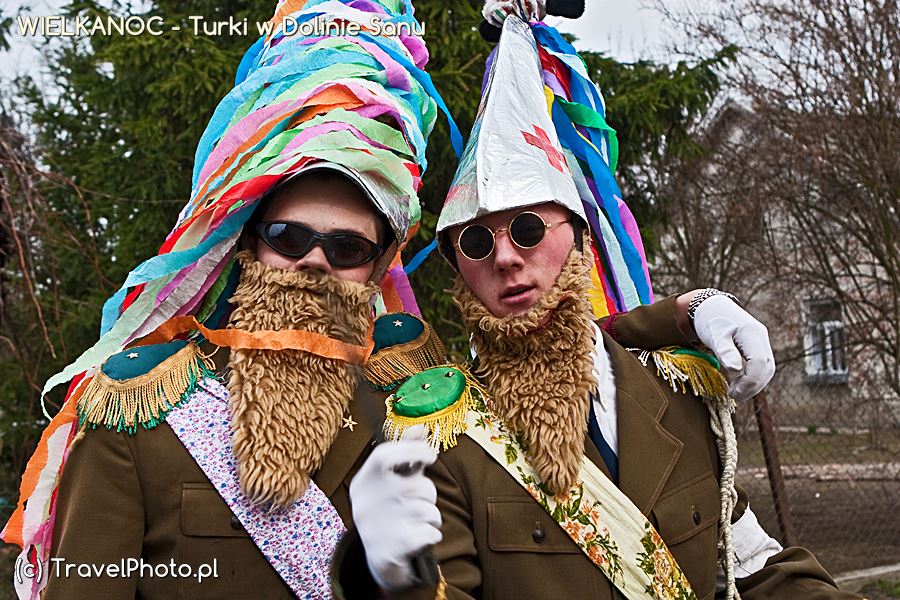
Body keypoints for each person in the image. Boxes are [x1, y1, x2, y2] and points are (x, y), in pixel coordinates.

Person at [1, 1, 751, 599]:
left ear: (380, 263)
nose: (315, 265)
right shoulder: (134, 412)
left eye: (348, 248)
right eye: (290, 238)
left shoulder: (413, 385)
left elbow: (541, 342)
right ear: (246, 243)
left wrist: (687, 313)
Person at [346, 13, 860, 600]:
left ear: (582, 240)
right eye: (477, 242)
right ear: (458, 269)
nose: (507, 258)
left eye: (529, 228)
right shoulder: (435, 438)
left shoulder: (679, 393)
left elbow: (752, 570)